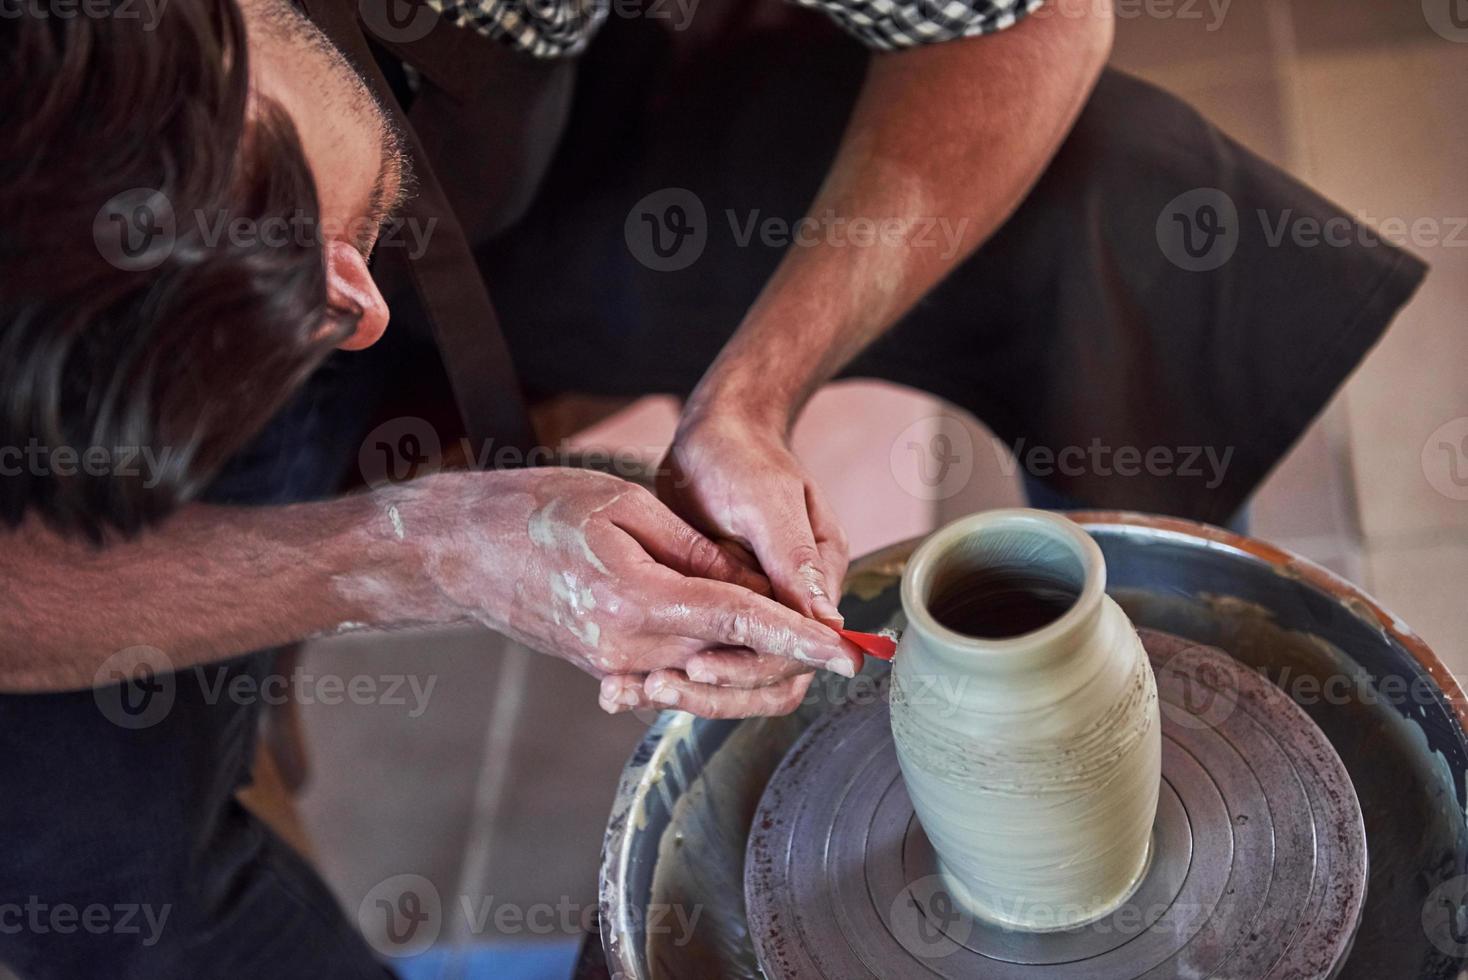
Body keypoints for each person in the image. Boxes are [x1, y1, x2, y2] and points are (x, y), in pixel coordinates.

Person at [0, 0, 1424, 974]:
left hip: (539, 149)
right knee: (76, 860)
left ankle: (1163, 700)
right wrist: (404, 552)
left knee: (1130, 197)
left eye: (288, 213)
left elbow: (1029, 18)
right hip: (85, 396)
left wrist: (757, 384)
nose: (353, 317)